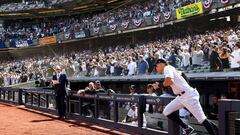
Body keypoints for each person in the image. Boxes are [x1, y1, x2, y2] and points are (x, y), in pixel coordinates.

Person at [153, 59, 218, 135]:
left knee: (202, 119)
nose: (156, 68)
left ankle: (216, 132)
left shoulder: (167, 68)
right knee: (167, 111)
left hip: (188, 96)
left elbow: (170, 81)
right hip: (181, 97)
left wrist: (159, 85)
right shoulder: (171, 68)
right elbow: (181, 77)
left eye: (156, 66)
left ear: (161, 64)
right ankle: (187, 128)